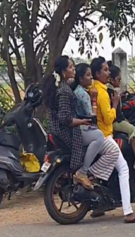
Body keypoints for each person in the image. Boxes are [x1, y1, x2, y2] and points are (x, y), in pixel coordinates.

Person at [90, 56, 135, 223]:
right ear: (98, 73)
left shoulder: (94, 88)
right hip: (105, 135)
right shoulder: (103, 93)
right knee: (123, 169)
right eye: (105, 70)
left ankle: (99, 206)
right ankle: (128, 212)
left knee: (116, 169)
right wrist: (114, 104)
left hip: (97, 134)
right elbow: (108, 119)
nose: (107, 73)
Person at [42, 56, 94, 189]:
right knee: (87, 146)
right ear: (64, 71)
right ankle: (80, 172)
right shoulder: (64, 91)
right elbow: (65, 119)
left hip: (54, 128)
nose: (74, 69)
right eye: (71, 67)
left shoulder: (58, 86)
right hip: (63, 130)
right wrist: (82, 121)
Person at [106, 61, 135, 176]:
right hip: (114, 122)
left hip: (114, 120)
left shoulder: (108, 91)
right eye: (118, 79)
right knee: (134, 130)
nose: (120, 82)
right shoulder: (112, 93)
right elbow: (116, 113)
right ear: (112, 80)